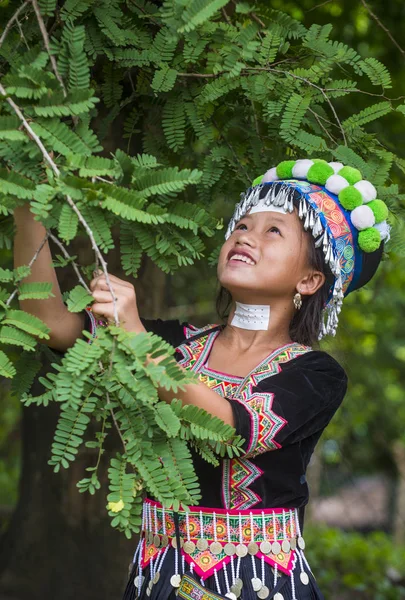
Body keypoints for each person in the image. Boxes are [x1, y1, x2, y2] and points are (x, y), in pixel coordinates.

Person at [13, 158, 389, 600]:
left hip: (258, 586)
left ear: (309, 279)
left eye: (274, 231)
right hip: (157, 578)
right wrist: (28, 205)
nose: (246, 235)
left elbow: (232, 430)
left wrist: (135, 339)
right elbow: (49, 322)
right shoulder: (174, 343)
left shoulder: (315, 374)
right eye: (242, 225)